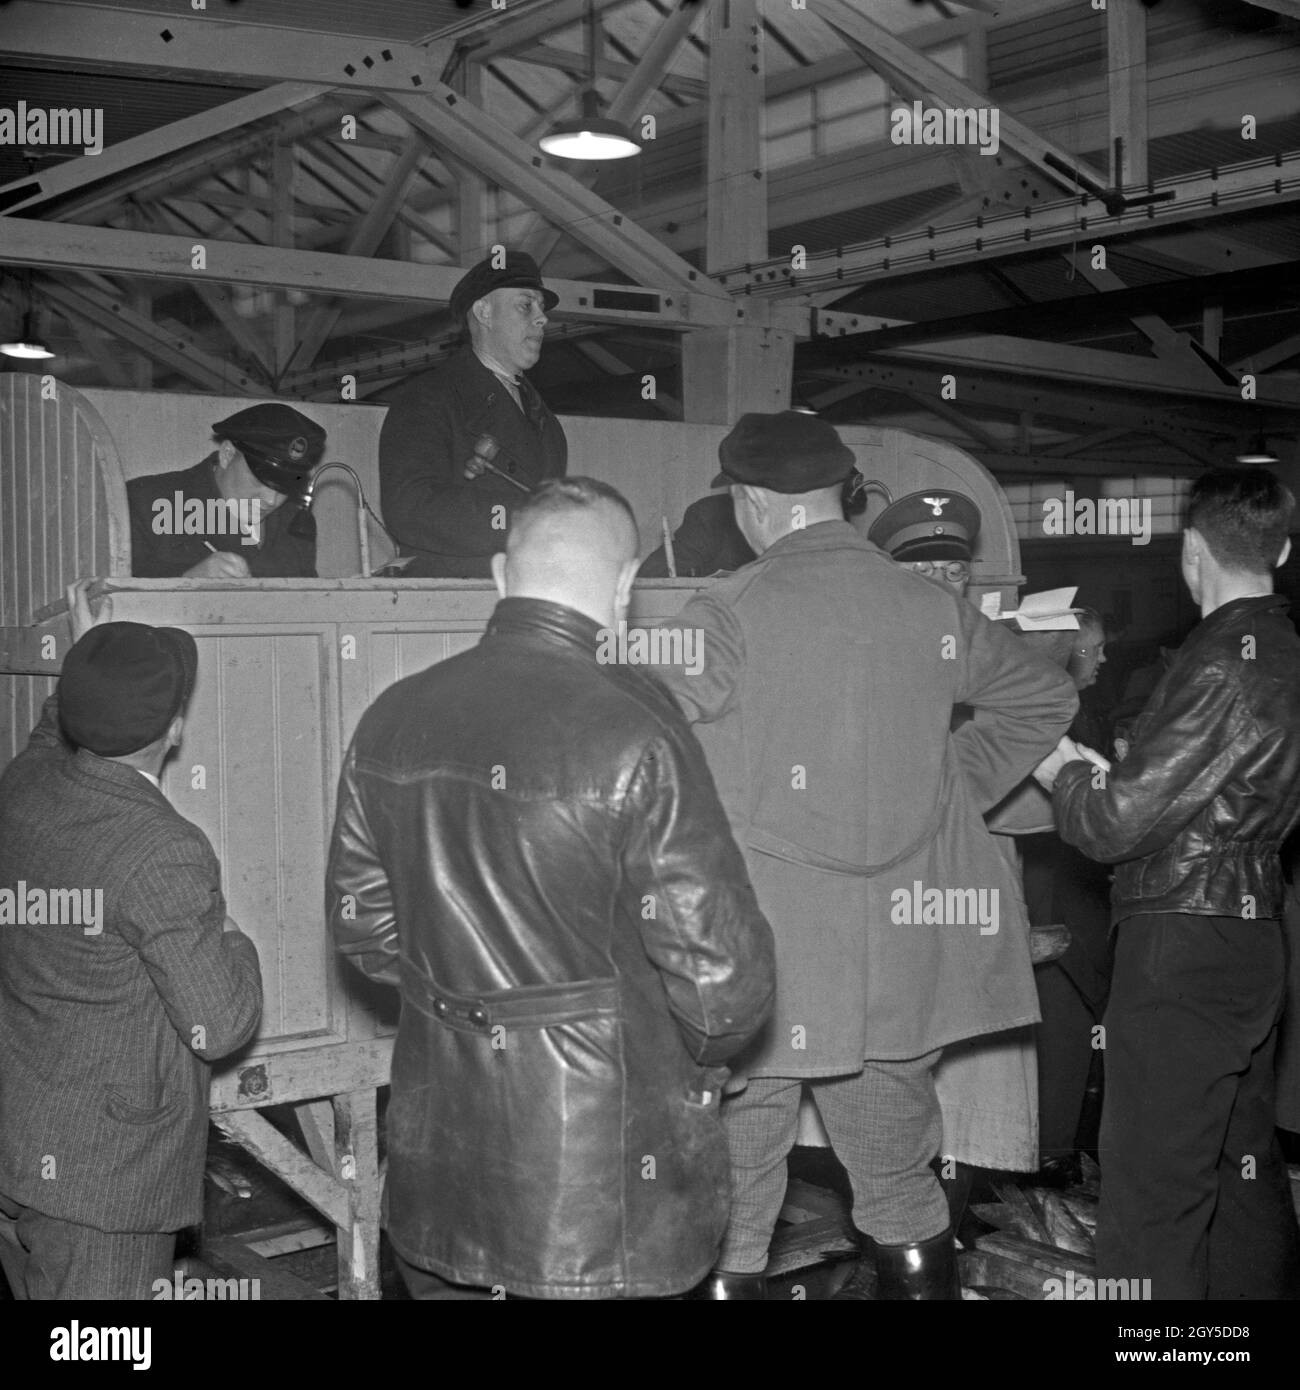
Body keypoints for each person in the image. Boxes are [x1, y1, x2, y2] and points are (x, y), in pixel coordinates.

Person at [657, 412, 1077, 1299]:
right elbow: (1044, 694)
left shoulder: (726, 612)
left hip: (769, 968)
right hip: (901, 957)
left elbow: (649, 739)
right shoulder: (933, 608)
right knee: (897, 1180)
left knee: (737, 1189)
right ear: (840, 496)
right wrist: (947, 783)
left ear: (755, 501)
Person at [327, 477, 775, 1300]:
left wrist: (473, 1001)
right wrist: (697, 1059)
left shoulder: (391, 715)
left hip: (442, 1165)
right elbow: (720, 984)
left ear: (501, 573)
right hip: (599, 1199)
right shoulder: (636, 731)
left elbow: (363, 931)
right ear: (626, 585)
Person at [1038, 466, 1300, 1299]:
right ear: (1283, 550)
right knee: (1239, 1174)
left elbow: (1112, 825)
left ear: (1191, 552)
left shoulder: (1217, 659)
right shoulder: (1287, 651)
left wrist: (1060, 768)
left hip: (1180, 938)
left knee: (1153, 1193)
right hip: (1253, 933)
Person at [0, 590, 263, 1299]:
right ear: (174, 730)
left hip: (23, 1148)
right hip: (102, 1191)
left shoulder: (24, 787)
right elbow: (222, 1023)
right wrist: (238, 940)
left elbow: (52, 734)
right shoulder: (160, 850)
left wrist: (89, 664)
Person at [378, 251, 568, 577]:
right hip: (453, 599)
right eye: (526, 305)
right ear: (484, 312)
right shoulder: (428, 399)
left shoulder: (544, 419)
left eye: (541, 308)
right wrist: (525, 519)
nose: (542, 318)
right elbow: (408, 508)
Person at [127, 403, 325, 578]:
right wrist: (185, 580)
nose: (272, 500)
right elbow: (111, 602)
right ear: (227, 455)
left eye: (285, 487)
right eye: (260, 480)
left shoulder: (294, 523)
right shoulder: (146, 503)